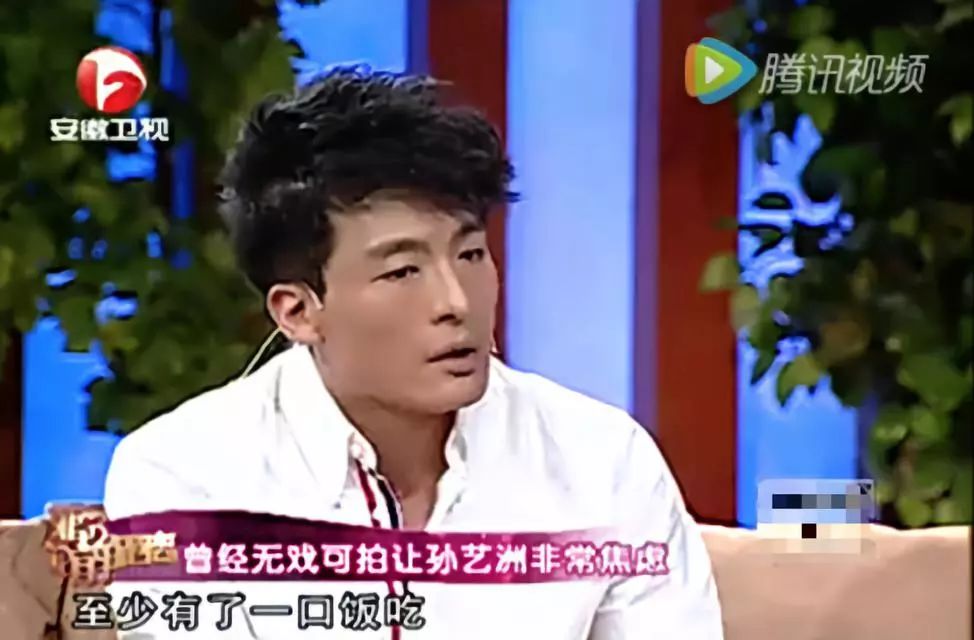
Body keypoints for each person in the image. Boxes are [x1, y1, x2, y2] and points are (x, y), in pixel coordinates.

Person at [103, 68, 723, 639]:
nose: (456, 301)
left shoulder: (602, 461)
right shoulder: (184, 478)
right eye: (402, 272)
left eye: (470, 254)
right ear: (298, 311)